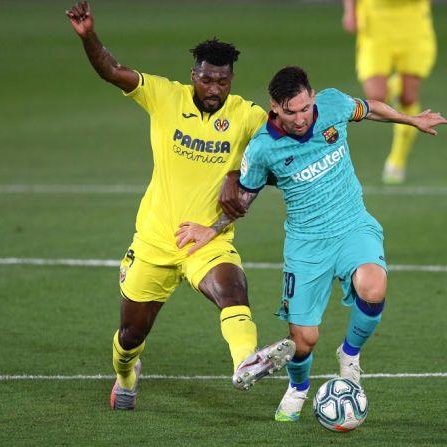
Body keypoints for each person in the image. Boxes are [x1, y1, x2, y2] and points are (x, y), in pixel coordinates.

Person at [176, 66, 447, 421]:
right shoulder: (262, 148)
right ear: (275, 107)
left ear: (313, 96)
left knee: (373, 285)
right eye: (291, 112)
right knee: (303, 340)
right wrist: (211, 230)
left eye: (305, 108)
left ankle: (350, 356)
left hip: (353, 226)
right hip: (306, 245)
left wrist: (410, 119)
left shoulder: (333, 105)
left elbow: (370, 107)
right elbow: (243, 198)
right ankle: (298, 387)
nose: (301, 118)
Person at [65, 1, 295, 410]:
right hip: (155, 240)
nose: (213, 89)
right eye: (206, 80)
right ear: (194, 76)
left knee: (233, 288)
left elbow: (281, 159)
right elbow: (111, 70)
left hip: (206, 239)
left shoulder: (247, 117)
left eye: (222, 82)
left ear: (231, 80)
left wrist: (239, 178)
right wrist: (89, 37)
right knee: (130, 335)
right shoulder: (164, 96)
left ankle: (246, 359)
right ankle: (126, 375)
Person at [342, 0, 437, 183]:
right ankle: (396, 85)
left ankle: (397, 160)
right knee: (376, 97)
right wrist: (350, 11)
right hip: (376, 20)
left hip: (413, 21)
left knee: (409, 97)